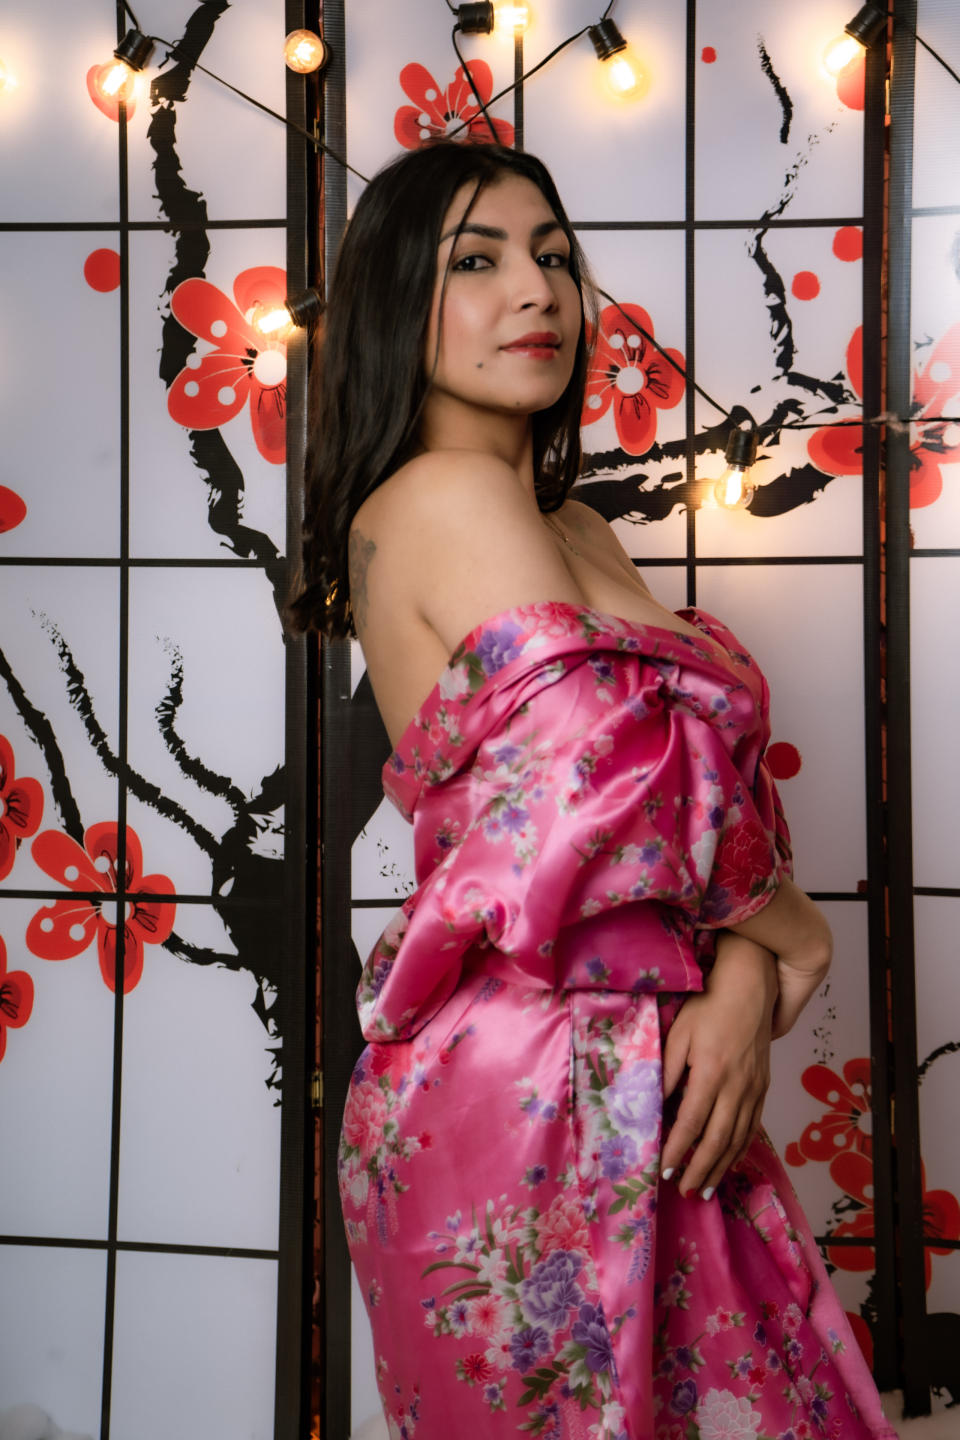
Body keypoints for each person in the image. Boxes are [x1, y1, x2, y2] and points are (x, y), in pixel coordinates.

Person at [289, 141, 896, 1440]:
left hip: (651, 1054)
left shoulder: (577, 527)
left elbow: (686, 790)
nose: (537, 291)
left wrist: (741, 972)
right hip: (526, 1073)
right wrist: (787, 936)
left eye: (555, 257)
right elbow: (598, 775)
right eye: (477, 260)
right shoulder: (439, 494)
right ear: (399, 300)